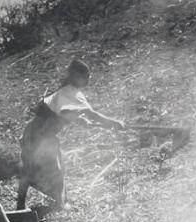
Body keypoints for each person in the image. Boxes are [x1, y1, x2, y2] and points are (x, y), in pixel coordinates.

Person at [17, 59, 124, 210]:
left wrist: (91, 122)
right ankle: (61, 204)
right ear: (76, 76)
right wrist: (114, 122)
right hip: (41, 137)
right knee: (57, 172)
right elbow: (89, 113)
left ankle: (22, 204)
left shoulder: (64, 93)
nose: (88, 79)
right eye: (85, 76)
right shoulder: (69, 92)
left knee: (29, 169)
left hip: (34, 134)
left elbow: (67, 114)